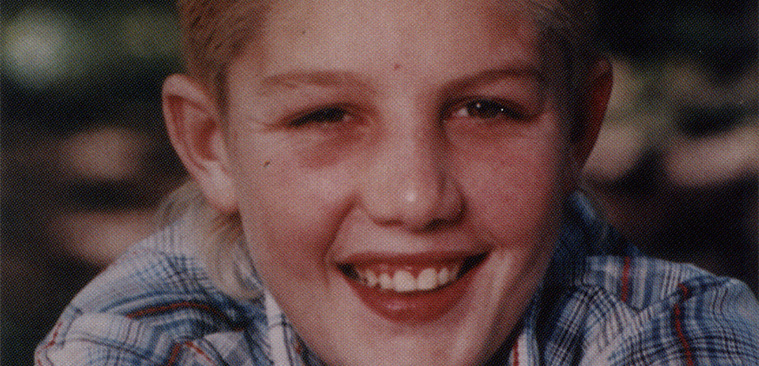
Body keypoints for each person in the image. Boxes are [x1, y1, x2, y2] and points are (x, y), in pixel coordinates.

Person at [35, 0, 759, 365]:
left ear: (577, 128)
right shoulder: (137, 339)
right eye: (324, 115)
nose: (414, 200)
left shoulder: (670, 332)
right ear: (211, 145)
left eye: (486, 109)